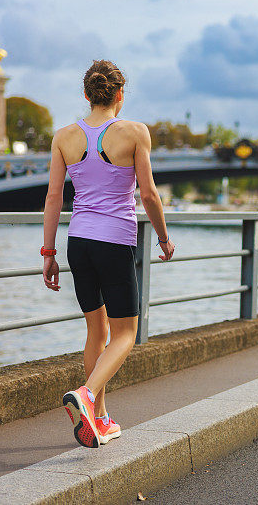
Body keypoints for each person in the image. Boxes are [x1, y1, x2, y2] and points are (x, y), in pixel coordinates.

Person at [41, 59, 175, 448]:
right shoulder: (134, 132)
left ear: (87, 94)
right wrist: (164, 238)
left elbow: (53, 197)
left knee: (96, 332)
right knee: (125, 334)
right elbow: (148, 194)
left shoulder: (65, 136)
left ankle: (98, 419)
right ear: (119, 94)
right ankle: (86, 395)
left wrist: (48, 252)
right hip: (115, 242)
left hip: (78, 242)